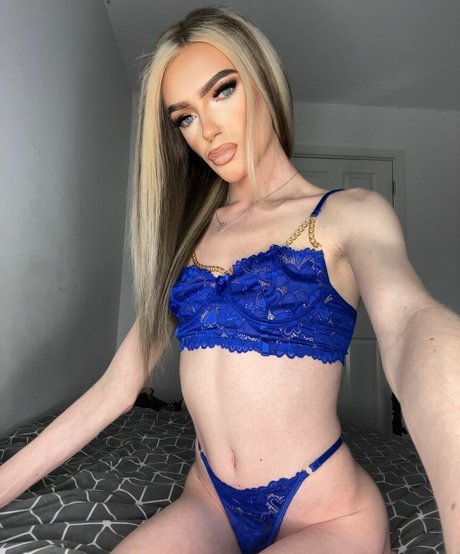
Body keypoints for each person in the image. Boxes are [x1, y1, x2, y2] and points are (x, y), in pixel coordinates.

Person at [0, 6, 459, 553]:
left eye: (221, 91)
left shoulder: (349, 214)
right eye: (184, 117)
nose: (207, 129)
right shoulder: (188, 241)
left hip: (326, 511)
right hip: (210, 499)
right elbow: (116, 389)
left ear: (263, 80)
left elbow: (411, 326)